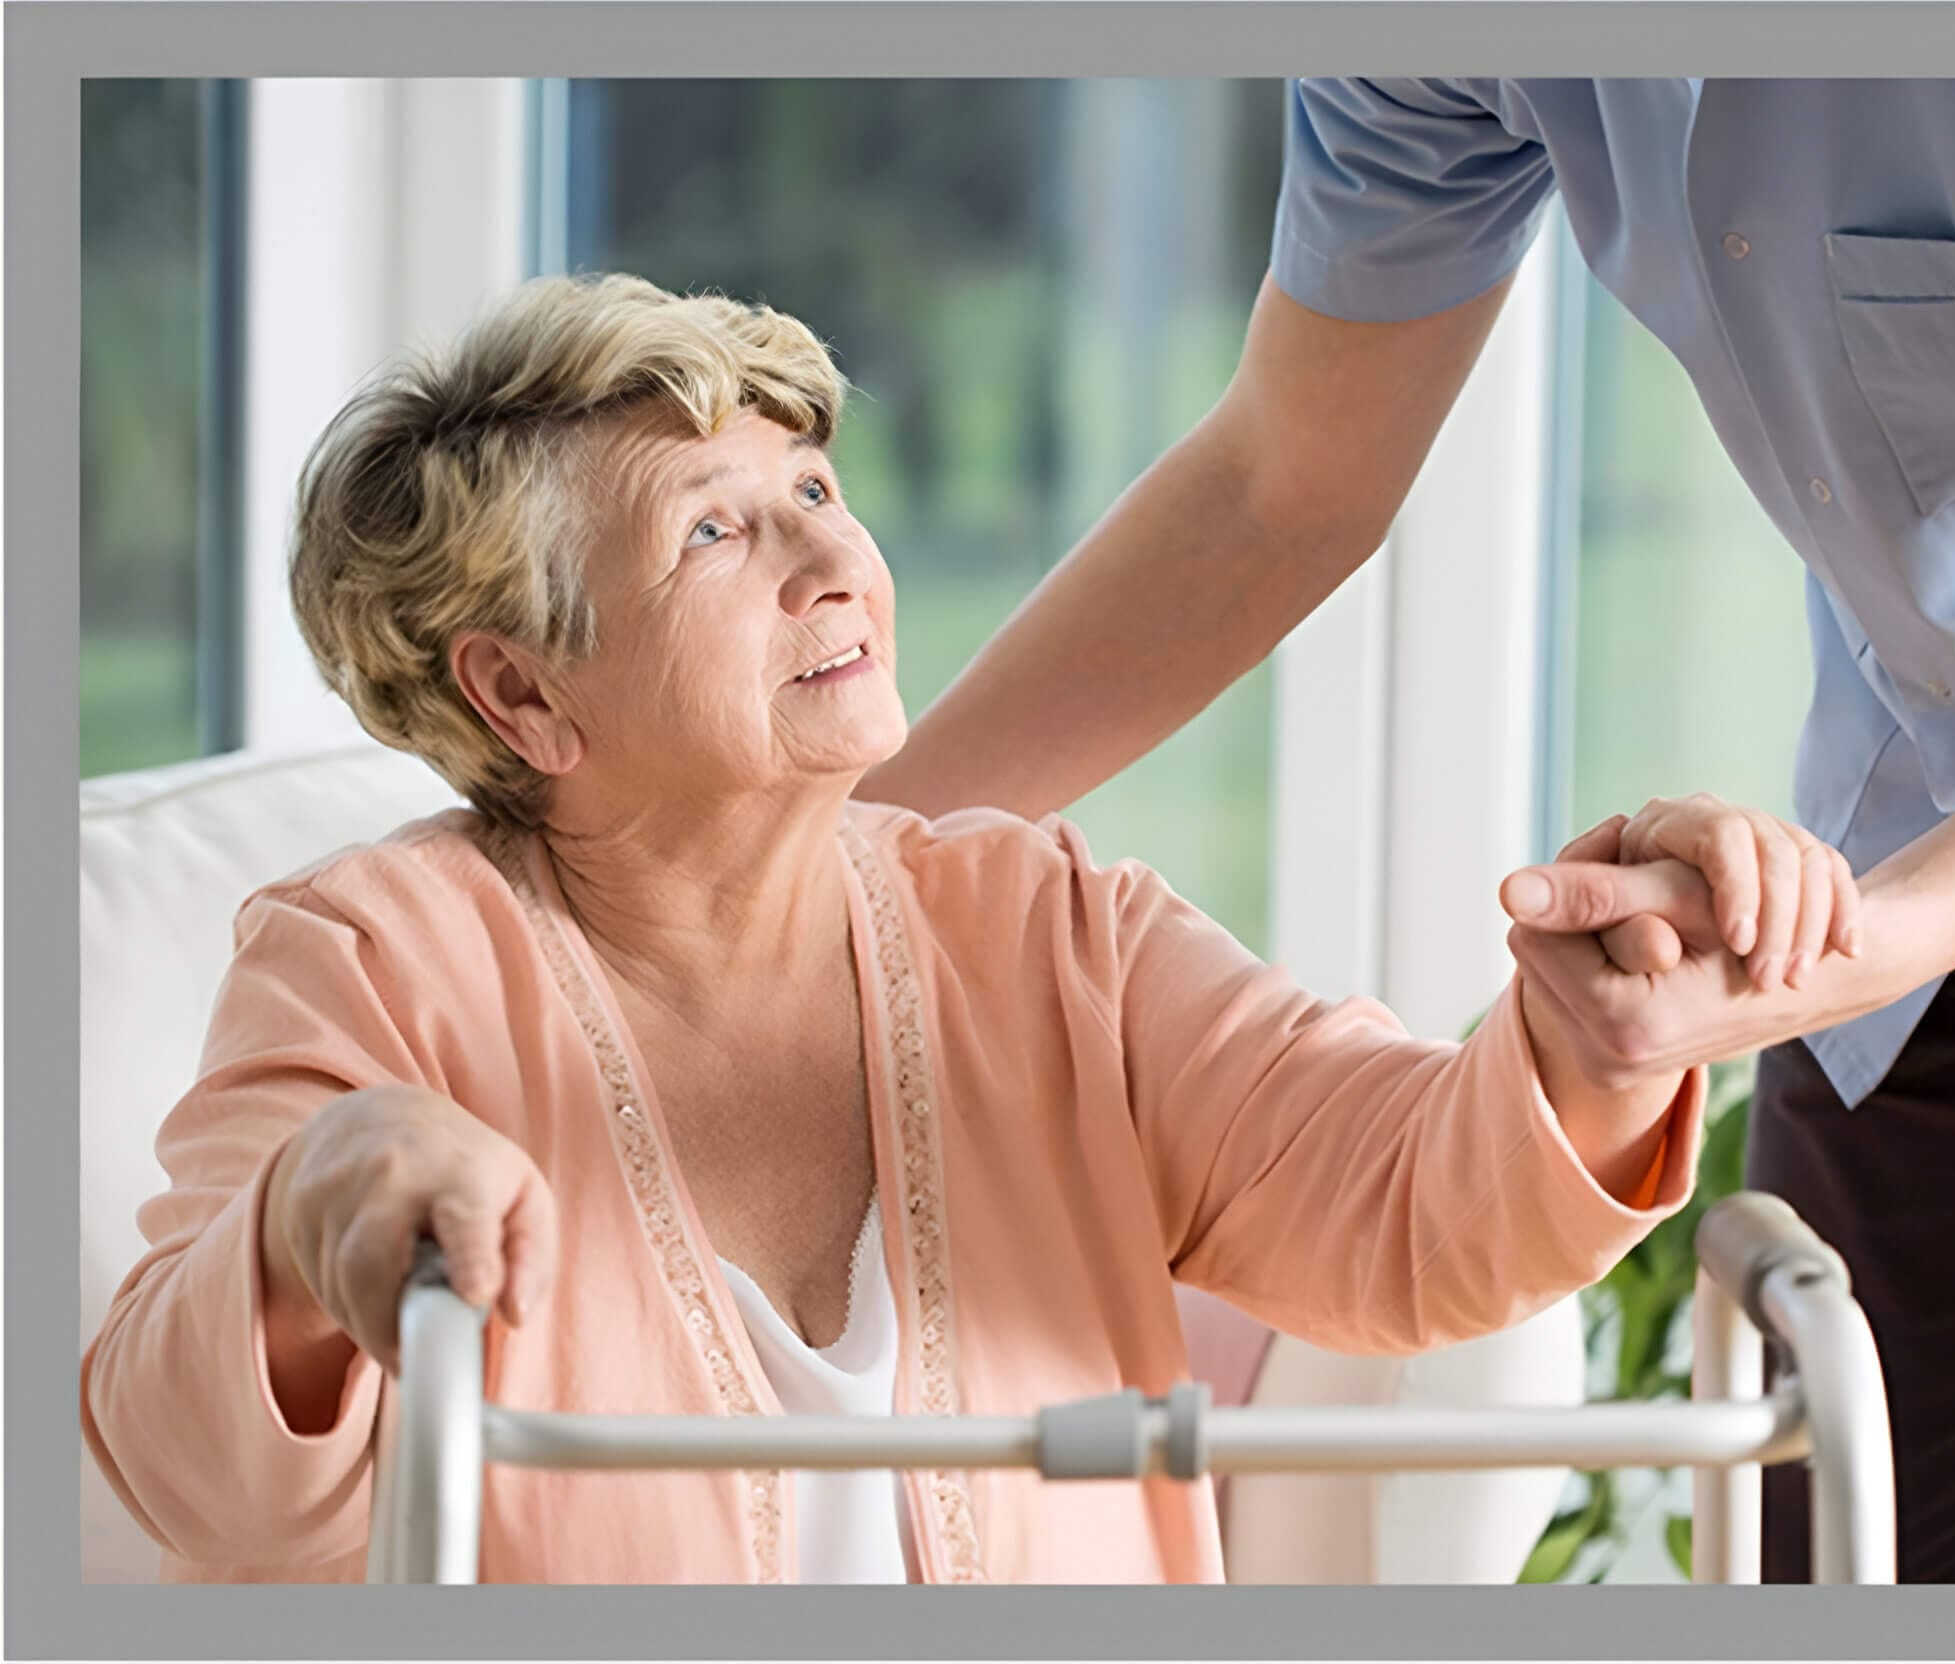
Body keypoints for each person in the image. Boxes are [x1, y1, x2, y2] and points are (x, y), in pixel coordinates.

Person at [78, 273, 1856, 1585]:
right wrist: (309, 1231)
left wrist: (1596, 1045)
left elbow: (1399, 1204)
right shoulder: (373, 962)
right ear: (524, 693)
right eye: (716, 531)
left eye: (818, 494)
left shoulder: (1039, 923)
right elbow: (191, 1486)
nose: (831, 562)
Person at [858, 78, 1955, 1584]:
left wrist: (1868, 946)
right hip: (1919, 803)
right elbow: (1284, 478)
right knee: (1812, 1554)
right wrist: (806, 854)